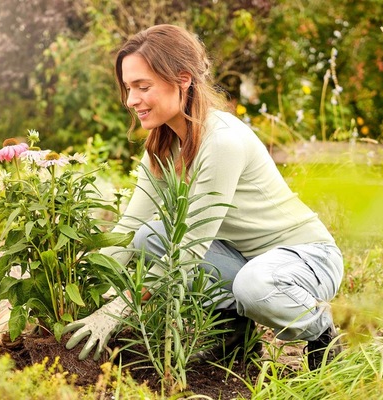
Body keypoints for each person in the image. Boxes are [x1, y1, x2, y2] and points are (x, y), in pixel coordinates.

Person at [63, 24, 344, 370]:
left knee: (253, 286)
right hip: (242, 260)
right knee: (148, 237)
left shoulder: (222, 140)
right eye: (127, 88)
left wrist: (117, 309)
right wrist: (76, 286)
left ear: (182, 79)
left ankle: (321, 332)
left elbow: (190, 250)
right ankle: (234, 339)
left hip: (306, 260)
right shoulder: (163, 146)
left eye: (142, 86)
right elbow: (128, 226)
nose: (130, 100)